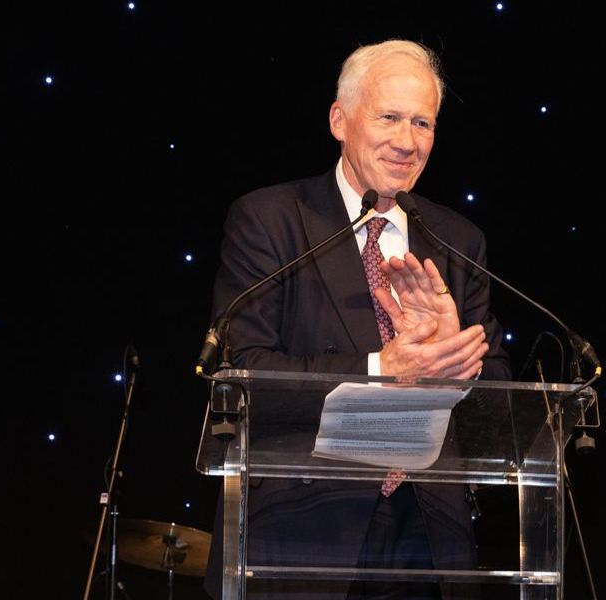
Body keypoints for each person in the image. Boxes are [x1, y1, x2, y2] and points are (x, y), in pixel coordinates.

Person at [204, 39, 511, 600]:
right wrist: (380, 368)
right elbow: (242, 376)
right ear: (339, 120)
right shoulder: (270, 220)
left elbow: (503, 407)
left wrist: (456, 364)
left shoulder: (459, 241)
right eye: (389, 117)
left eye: (423, 122)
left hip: (430, 539)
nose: (407, 141)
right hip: (306, 527)